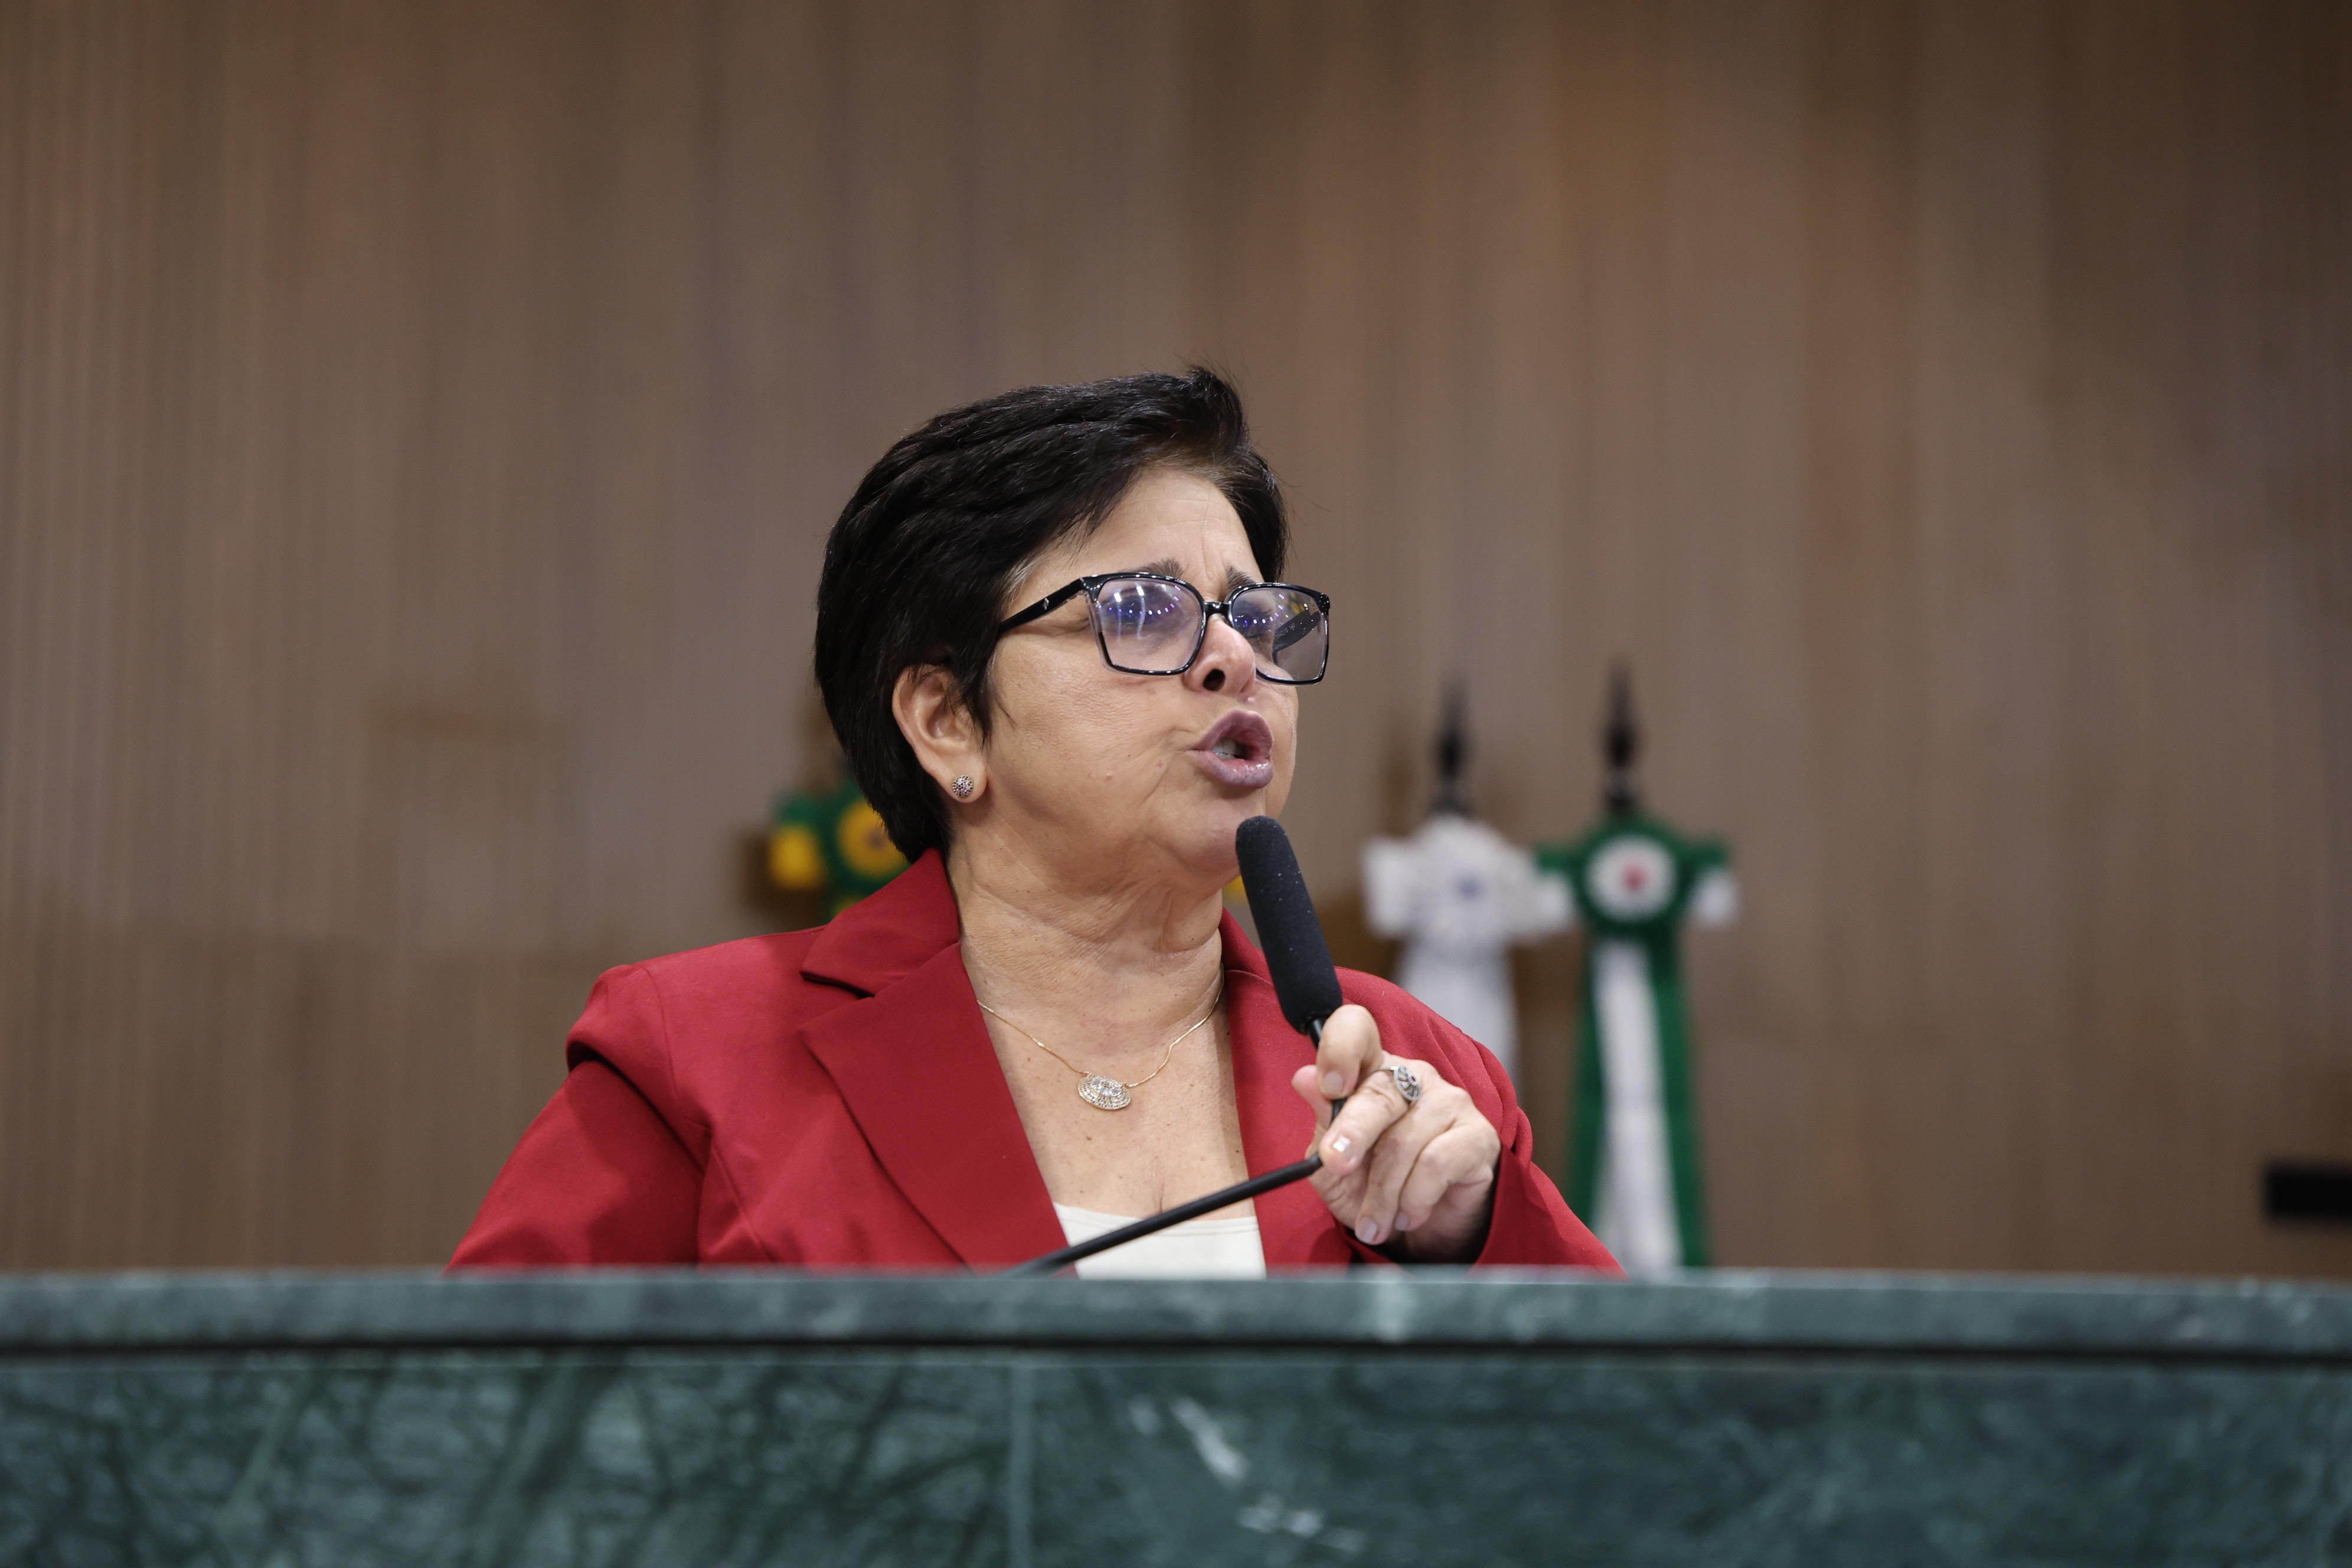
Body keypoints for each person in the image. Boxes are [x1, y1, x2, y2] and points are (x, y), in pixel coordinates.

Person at [451, 370, 1616, 1275]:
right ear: (947, 720)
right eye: (1145, 610)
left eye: (1257, 615)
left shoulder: (1411, 1064)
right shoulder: (697, 1056)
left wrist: (1468, 1233)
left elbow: (1647, 1450)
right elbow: (464, 1448)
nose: (1234, 656)